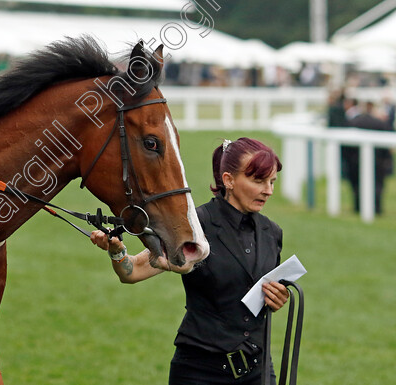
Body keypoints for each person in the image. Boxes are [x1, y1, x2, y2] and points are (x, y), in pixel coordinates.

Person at [91, 137, 290, 385]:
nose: (268, 190)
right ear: (228, 180)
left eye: (271, 182)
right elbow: (132, 272)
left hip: (258, 372)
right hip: (200, 373)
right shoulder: (195, 224)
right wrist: (117, 251)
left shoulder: (272, 233)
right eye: (258, 180)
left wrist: (277, 298)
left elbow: (258, 296)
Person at [345, 102, 393, 215]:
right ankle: (377, 209)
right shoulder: (380, 123)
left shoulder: (353, 122)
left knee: (357, 185)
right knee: (377, 185)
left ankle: (358, 207)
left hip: (355, 161)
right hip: (378, 161)